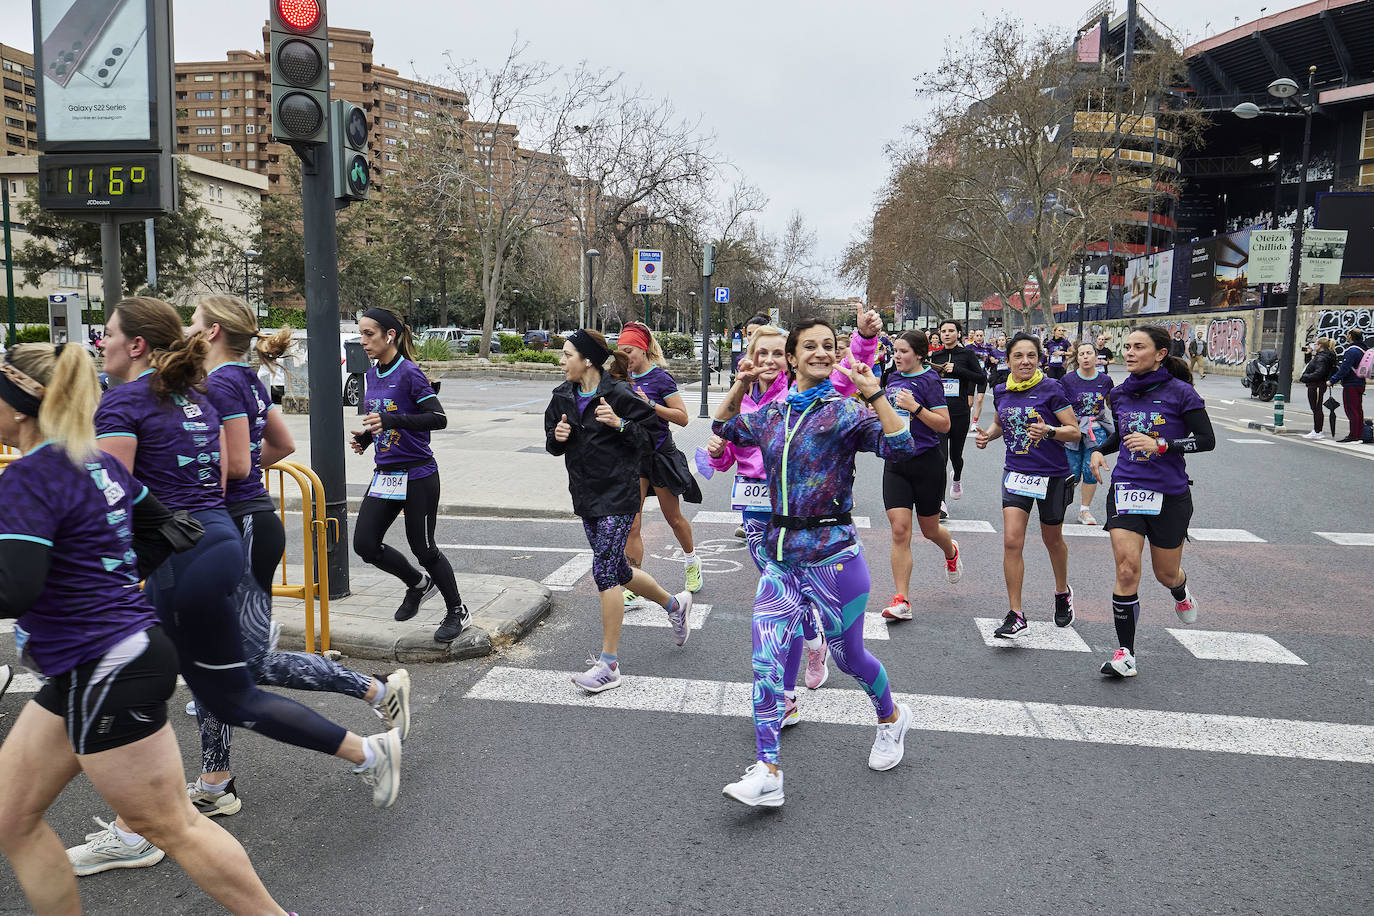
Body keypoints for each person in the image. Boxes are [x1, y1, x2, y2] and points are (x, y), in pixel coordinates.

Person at [75, 297, 403, 875]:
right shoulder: (196, 395)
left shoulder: (127, 401)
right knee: (226, 691)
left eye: (106, 334)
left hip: (184, 559)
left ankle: (142, 827)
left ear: (136, 346)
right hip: (219, 542)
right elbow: (237, 463)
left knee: (143, 683)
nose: (98, 344)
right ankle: (364, 749)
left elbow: (115, 497)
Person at [0, 342, 295, 915]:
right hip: (97, 661)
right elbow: (169, 528)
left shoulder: (30, 478)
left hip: (107, 665)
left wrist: (98, 592)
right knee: (12, 818)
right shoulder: (96, 461)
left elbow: (16, 588)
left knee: (172, 826)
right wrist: (112, 580)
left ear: (17, 408)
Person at [187, 296, 412, 818]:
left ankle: (373, 706)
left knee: (231, 667)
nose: (188, 329)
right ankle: (216, 779)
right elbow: (282, 444)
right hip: (249, 525)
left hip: (240, 527)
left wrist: (200, 484)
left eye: (194, 322)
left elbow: (241, 460)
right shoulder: (246, 378)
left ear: (213, 330)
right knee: (220, 666)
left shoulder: (222, 382)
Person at [714, 318, 916, 807]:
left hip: (834, 557)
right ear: (791, 356)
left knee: (849, 658)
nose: (822, 353)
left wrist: (877, 396)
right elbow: (723, 427)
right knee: (765, 661)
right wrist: (741, 381)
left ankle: (891, 718)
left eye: (829, 346)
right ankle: (769, 771)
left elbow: (901, 447)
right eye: (811, 346)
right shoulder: (771, 414)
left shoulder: (845, 412)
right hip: (782, 559)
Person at [546, 329, 694, 693]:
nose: (561, 361)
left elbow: (651, 439)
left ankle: (608, 664)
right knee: (618, 568)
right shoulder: (562, 396)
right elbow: (551, 441)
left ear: (587, 360)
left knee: (604, 571)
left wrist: (622, 424)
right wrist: (556, 438)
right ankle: (674, 605)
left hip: (620, 493)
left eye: (567, 355)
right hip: (586, 495)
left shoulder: (619, 394)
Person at [1089, 326, 1216, 678]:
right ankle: (1126, 653)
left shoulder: (1181, 393)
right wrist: (1100, 450)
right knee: (1127, 568)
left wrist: (1161, 445)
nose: (1129, 352)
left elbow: (1206, 440)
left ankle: (1180, 588)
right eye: (1126, 346)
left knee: (1165, 573)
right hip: (1127, 489)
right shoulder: (1121, 393)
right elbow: (1124, 435)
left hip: (1170, 494)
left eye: (1138, 347)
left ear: (1160, 353)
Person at [350, 307, 470, 643]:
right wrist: (367, 438)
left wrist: (391, 422)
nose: (363, 341)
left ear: (390, 335)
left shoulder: (410, 373)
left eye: (368, 334)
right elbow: (382, 419)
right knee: (365, 544)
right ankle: (417, 584)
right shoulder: (372, 375)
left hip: (418, 474)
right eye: (360, 334)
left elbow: (437, 419)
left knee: (425, 548)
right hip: (386, 474)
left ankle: (457, 610)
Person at [975, 333, 1082, 639]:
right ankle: (1016, 613)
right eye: (1018, 356)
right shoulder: (1002, 389)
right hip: (1017, 473)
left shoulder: (1051, 388)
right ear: (1007, 360)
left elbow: (1073, 432)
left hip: (1052, 475)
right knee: (1011, 541)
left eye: (1031, 356)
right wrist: (988, 436)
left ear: (1039, 359)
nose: (1025, 361)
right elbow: (1000, 422)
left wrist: (1050, 430)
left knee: (1052, 539)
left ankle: (1062, 592)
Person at [878, 330, 960, 621]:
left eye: (903, 352)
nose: (897, 356)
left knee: (929, 530)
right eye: (895, 351)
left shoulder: (930, 380)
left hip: (927, 463)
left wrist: (916, 408)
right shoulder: (892, 377)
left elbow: (944, 425)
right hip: (896, 462)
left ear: (920, 354)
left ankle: (950, 550)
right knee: (900, 530)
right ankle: (902, 600)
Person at [617, 322, 704, 597]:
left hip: (660, 455)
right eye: (620, 351)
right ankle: (634, 582)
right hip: (634, 456)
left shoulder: (660, 379)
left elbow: (682, 417)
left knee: (674, 518)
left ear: (642, 349)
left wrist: (651, 405)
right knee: (632, 523)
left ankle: (692, 562)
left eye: (628, 350)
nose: (624, 356)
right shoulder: (622, 379)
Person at [927, 319, 984, 502]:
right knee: (940, 458)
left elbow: (981, 378)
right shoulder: (935, 357)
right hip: (939, 413)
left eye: (951, 331)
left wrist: (958, 369)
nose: (947, 334)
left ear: (959, 333)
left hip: (959, 413)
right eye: (943, 331)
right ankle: (940, 502)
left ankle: (957, 477)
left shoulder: (967, 354)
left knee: (955, 456)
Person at [1061, 342, 1115, 526]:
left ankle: (1085, 510)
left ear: (1095, 357)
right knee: (1072, 473)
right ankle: (1060, 506)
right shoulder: (1067, 380)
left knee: (1090, 470)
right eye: (1082, 353)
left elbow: (1111, 404)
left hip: (1096, 429)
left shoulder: (1105, 380)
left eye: (1089, 353)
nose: (1085, 356)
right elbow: (1058, 404)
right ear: (1077, 358)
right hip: (1073, 428)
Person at [1329, 329, 1367, 443]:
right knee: (1358, 410)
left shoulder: (1352, 351)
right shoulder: (1363, 349)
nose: (1346, 336)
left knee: (1351, 409)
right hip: (1360, 382)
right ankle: (1359, 433)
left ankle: (1353, 435)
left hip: (1351, 383)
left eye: (1347, 335)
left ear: (1350, 336)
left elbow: (1344, 368)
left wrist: (1332, 380)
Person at [1299, 337, 1338, 439]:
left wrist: (1305, 377)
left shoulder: (1322, 358)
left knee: (1316, 408)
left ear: (1320, 346)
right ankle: (1316, 430)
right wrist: (1308, 354)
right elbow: (1310, 365)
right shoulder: (1321, 356)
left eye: (1315, 344)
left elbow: (1319, 372)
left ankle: (1318, 431)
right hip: (1316, 384)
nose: (1314, 346)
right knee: (1316, 407)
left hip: (1316, 385)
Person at [967, 328, 993, 423]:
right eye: (977, 335)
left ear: (984, 337)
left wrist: (991, 361)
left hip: (982, 375)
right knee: (970, 403)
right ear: (973, 336)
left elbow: (990, 363)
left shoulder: (988, 349)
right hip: (971, 376)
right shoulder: (969, 348)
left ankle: (975, 422)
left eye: (981, 336)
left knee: (979, 399)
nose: (979, 337)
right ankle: (967, 417)